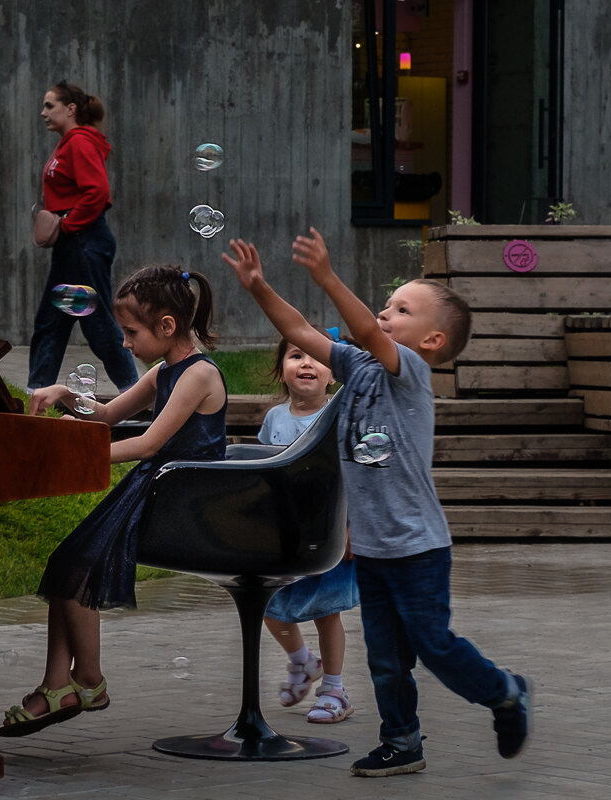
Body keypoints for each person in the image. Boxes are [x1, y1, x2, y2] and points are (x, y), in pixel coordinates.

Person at [222, 230, 531, 778]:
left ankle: (505, 692)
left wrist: (326, 276)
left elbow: (364, 329)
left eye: (402, 309)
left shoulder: (410, 373)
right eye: (388, 304)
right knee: (386, 660)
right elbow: (298, 330)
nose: (386, 314)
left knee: (432, 646)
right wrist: (259, 287)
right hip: (373, 550)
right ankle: (402, 742)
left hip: (417, 548)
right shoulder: (356, 369)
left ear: (432, 340)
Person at [0, 264, 226, 737]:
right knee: (66, 564)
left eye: (130, 332)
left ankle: (88, 679)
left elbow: (147, 445)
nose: (125, 344)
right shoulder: (165, 370)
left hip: (181, 499)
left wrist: (81, 454)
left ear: (167, 326)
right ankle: (58, 684)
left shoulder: (199, 375)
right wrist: (66, 396)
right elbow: (104, 415)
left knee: (78, 566)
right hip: (155, 487)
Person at [259, 337, 359, 724]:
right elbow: (266, 474)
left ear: (333, 376)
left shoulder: (342, 417)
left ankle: (334, 689)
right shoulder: (275, 420)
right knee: (267, 605)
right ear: (281, 369)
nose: (307, 364)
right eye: (296, 355)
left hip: (331, 533)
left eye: (318, 358)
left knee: (326, 612)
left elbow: (355, 476)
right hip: (287, 538)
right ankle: (302, 661)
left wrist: (351, 528)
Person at [26, 81, 139, 395]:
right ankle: (36, 391)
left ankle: (134, 390)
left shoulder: (80, 142)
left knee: (97, 321)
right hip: (72, 244)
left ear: (70, 108)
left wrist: (66, 225)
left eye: (50, 106)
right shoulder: (67, 142)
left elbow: (98, 192)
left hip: (84, 241)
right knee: (51, 320)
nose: (43, 112)